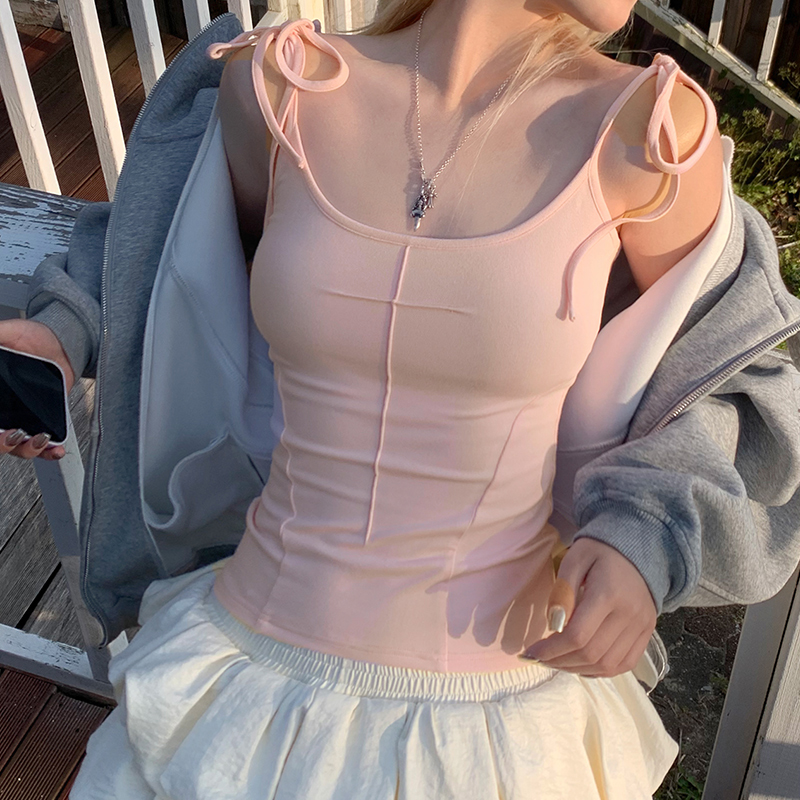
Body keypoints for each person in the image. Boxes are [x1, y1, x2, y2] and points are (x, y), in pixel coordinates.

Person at [1, 2, 798, 798]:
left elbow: (729, 372)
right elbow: (169, 252)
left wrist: (648, 531)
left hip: (494, 734)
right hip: (237, 692)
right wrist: (61, 331)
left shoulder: (652, 136)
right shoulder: (277, 85)